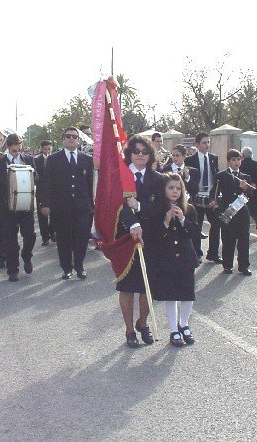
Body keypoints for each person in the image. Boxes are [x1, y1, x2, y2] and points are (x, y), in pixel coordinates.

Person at [115, 135, 163, 348]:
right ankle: (129, 330)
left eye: (144, 151)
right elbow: (115, 206)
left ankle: (143, 323)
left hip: (150, 238)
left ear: (150, 154)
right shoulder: (120, 177)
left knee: (147, 287)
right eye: (136, 151)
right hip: (126, 238)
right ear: (129, 154)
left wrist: (140, 206)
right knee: (127, 287)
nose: (140, 155)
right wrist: (132, 224)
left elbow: (161, 208)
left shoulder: (158, 179)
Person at [40, 127, 94, 280]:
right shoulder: (53, 159)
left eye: (74, 137)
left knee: (81, 238)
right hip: (61, 207)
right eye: (68, 136)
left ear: (79, 140)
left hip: (82, 207)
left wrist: (92, 205)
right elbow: (47, 183)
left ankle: (79, 266)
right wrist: (45, 204)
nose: (71, 139)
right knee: (63, 238)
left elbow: (90, 184)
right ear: (63, 140)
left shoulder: (87, 159)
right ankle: (66, 268)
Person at [155, 173, 200, 346]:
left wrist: (182, 220)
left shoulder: (189, 209)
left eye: (178, 188)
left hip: (186, 258)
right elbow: (157, 236)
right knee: (171, 296)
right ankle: (173, 329)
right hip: (167, 259)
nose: (175, 191)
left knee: (187, 294)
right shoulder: (159, 209)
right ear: (164, 190)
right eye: (171, 188)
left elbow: (194, 233)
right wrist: (165, 222)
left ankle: (184, 324)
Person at [0, 134, 36, 281]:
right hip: (7, 207)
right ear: (8, 148)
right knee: (10, 240)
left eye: (19, 149)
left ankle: (27, 256)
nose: (16, 152)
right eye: (14, 150)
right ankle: (12, 269)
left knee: (30, 235)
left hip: (25, 205)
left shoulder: (28, 160)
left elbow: (38, 178)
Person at [212, 149, 253, 275]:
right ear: (229, 162)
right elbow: (215, 192)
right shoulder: (221, 175)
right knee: (228, 239)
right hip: (228, 211)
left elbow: (250, 195)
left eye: (238, 159)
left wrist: (245, 189)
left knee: (244, 241)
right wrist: (213, 201)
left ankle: (243, 266)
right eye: (233, 160)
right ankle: (227, 265)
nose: (236, 162)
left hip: (242, 213)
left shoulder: (246, 177)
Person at [185, 132, 221, 263]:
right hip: (196, 196)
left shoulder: (213, 158)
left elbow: (216, 179)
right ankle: (197, 253)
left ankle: (213, 253)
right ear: (197, 144)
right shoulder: (190, 160)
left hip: (210, 197)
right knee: (197, 226)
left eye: (209, 142)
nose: (207, 145)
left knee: (216, 224)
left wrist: (215, 197)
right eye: (204, 143)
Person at [34, 140, 55, 246]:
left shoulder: (56, 158)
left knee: (54, 212)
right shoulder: (37, 160)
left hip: (53, 190)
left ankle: (52, 231)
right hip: (41, 190)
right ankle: (45, 237)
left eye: (49, 149)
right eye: (45, 149)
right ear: (41, 149)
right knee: (42, 214)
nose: (47, 151)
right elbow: (38, 174)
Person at [240, 146, 257, 235]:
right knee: (256, 210)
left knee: (244, 210)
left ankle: (245, 229)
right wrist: (255, 184)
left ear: (243, 155)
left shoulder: (240, 164)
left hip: (244, 190)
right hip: (255, 191)